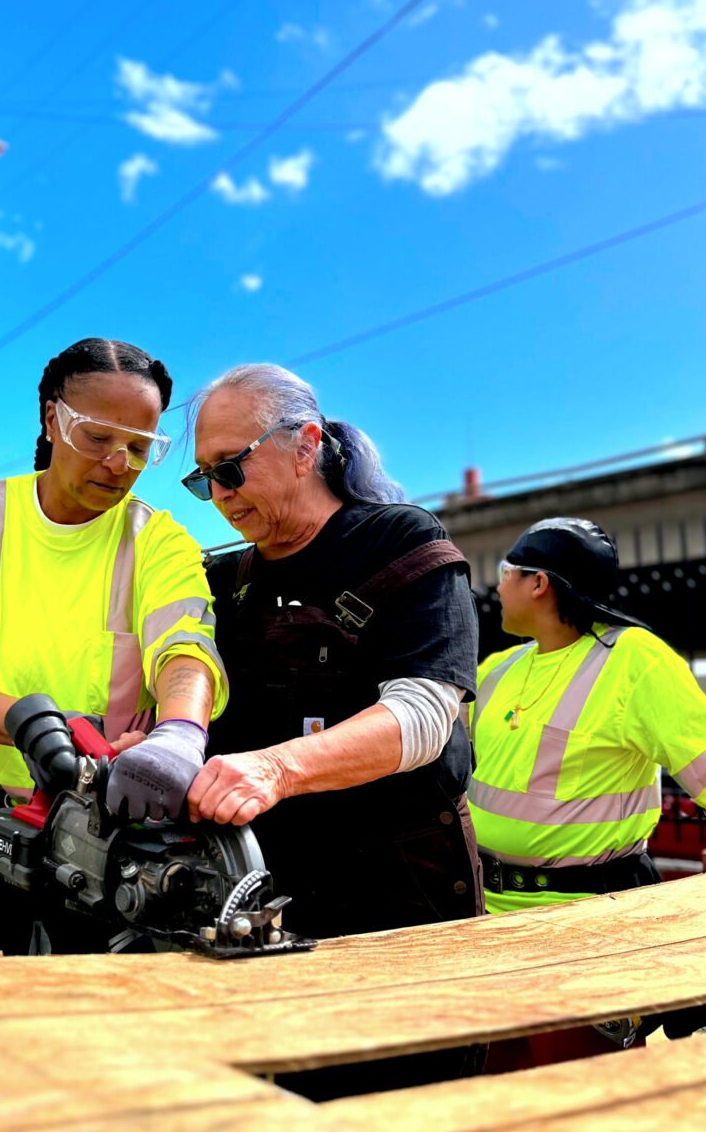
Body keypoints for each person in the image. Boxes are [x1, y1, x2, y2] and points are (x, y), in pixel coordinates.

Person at [184, 364, 482, 1094]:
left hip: (401, 913)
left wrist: (275, 768)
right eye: (202, 479)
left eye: (231, 467)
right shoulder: (224, 584)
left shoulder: (398, 543)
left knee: (408, 1119)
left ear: (304, 444)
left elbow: (421, 718)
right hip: (264, 910)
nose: (220, 493)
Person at [0, 337, 227, 957]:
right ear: (52, 418)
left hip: (103, 846)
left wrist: (181, 733)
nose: (119, 463)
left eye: (139, 447)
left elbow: (186, 647)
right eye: (98, 438)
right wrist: (25, 723)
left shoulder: (158, 541)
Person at [469, 516, 706, 1064]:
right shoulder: (498, 669)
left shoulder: (636, 662)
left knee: (575, 1111)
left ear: (539, 583)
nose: (495, 586)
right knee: (490, 1101)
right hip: (485, 928)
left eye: (506, 571)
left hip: (584, 931)